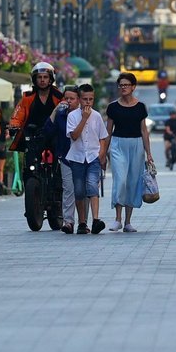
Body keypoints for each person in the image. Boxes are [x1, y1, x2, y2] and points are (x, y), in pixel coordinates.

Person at [104, 73, 154, 233]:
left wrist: (149, 154)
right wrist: (103, 152)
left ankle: (127, 222)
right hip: (118, 144)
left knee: (133, 181)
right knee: (120, 180)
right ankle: (117, 219)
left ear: (133, 87)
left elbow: (144, 131)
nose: (123, 88)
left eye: (126, 85)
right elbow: (108, 131)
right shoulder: (113, 107)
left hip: (137, 145)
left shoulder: (140, 107)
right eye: (121, 85)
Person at [66, 84, 108, 235]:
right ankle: (82, 222)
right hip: (77, 158)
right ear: (79, 99)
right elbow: (74, 136)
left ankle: (96, 220)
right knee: (79, 191)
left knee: (92, 186)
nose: (88, 102)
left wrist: (101, 154)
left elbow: (103, 137)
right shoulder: (72, 116)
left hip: (93, 157)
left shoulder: (97, 116)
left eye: (91, 99)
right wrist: (84, 119)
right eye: (85, 99)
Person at [43, 86, 81, 234]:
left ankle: (83, 221)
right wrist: (55, 111)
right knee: (68, 189)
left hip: (82, 158)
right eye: (66, 98)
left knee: (82, 190)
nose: (69, 101)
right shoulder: (60, 115)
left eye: (72, 98)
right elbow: (47, 131)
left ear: (78, 100)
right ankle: (68, 221)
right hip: (65, 157)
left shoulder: (84, 115)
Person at [9, 62, 64, 152]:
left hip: (54, 136)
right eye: (39, 77)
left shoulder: (59, 97)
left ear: (50, 79)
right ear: (35, 79)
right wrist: (13, 126)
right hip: (32, 136)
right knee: (30, 157)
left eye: (45, 77)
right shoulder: (27, 97)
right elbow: (18, 115)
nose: (42, 80)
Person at [0, 107, 9, 192]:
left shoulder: (4, 123)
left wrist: (4, 138)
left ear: (0, 114)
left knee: (0, 168)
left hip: (1, 144)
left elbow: (8, 133)